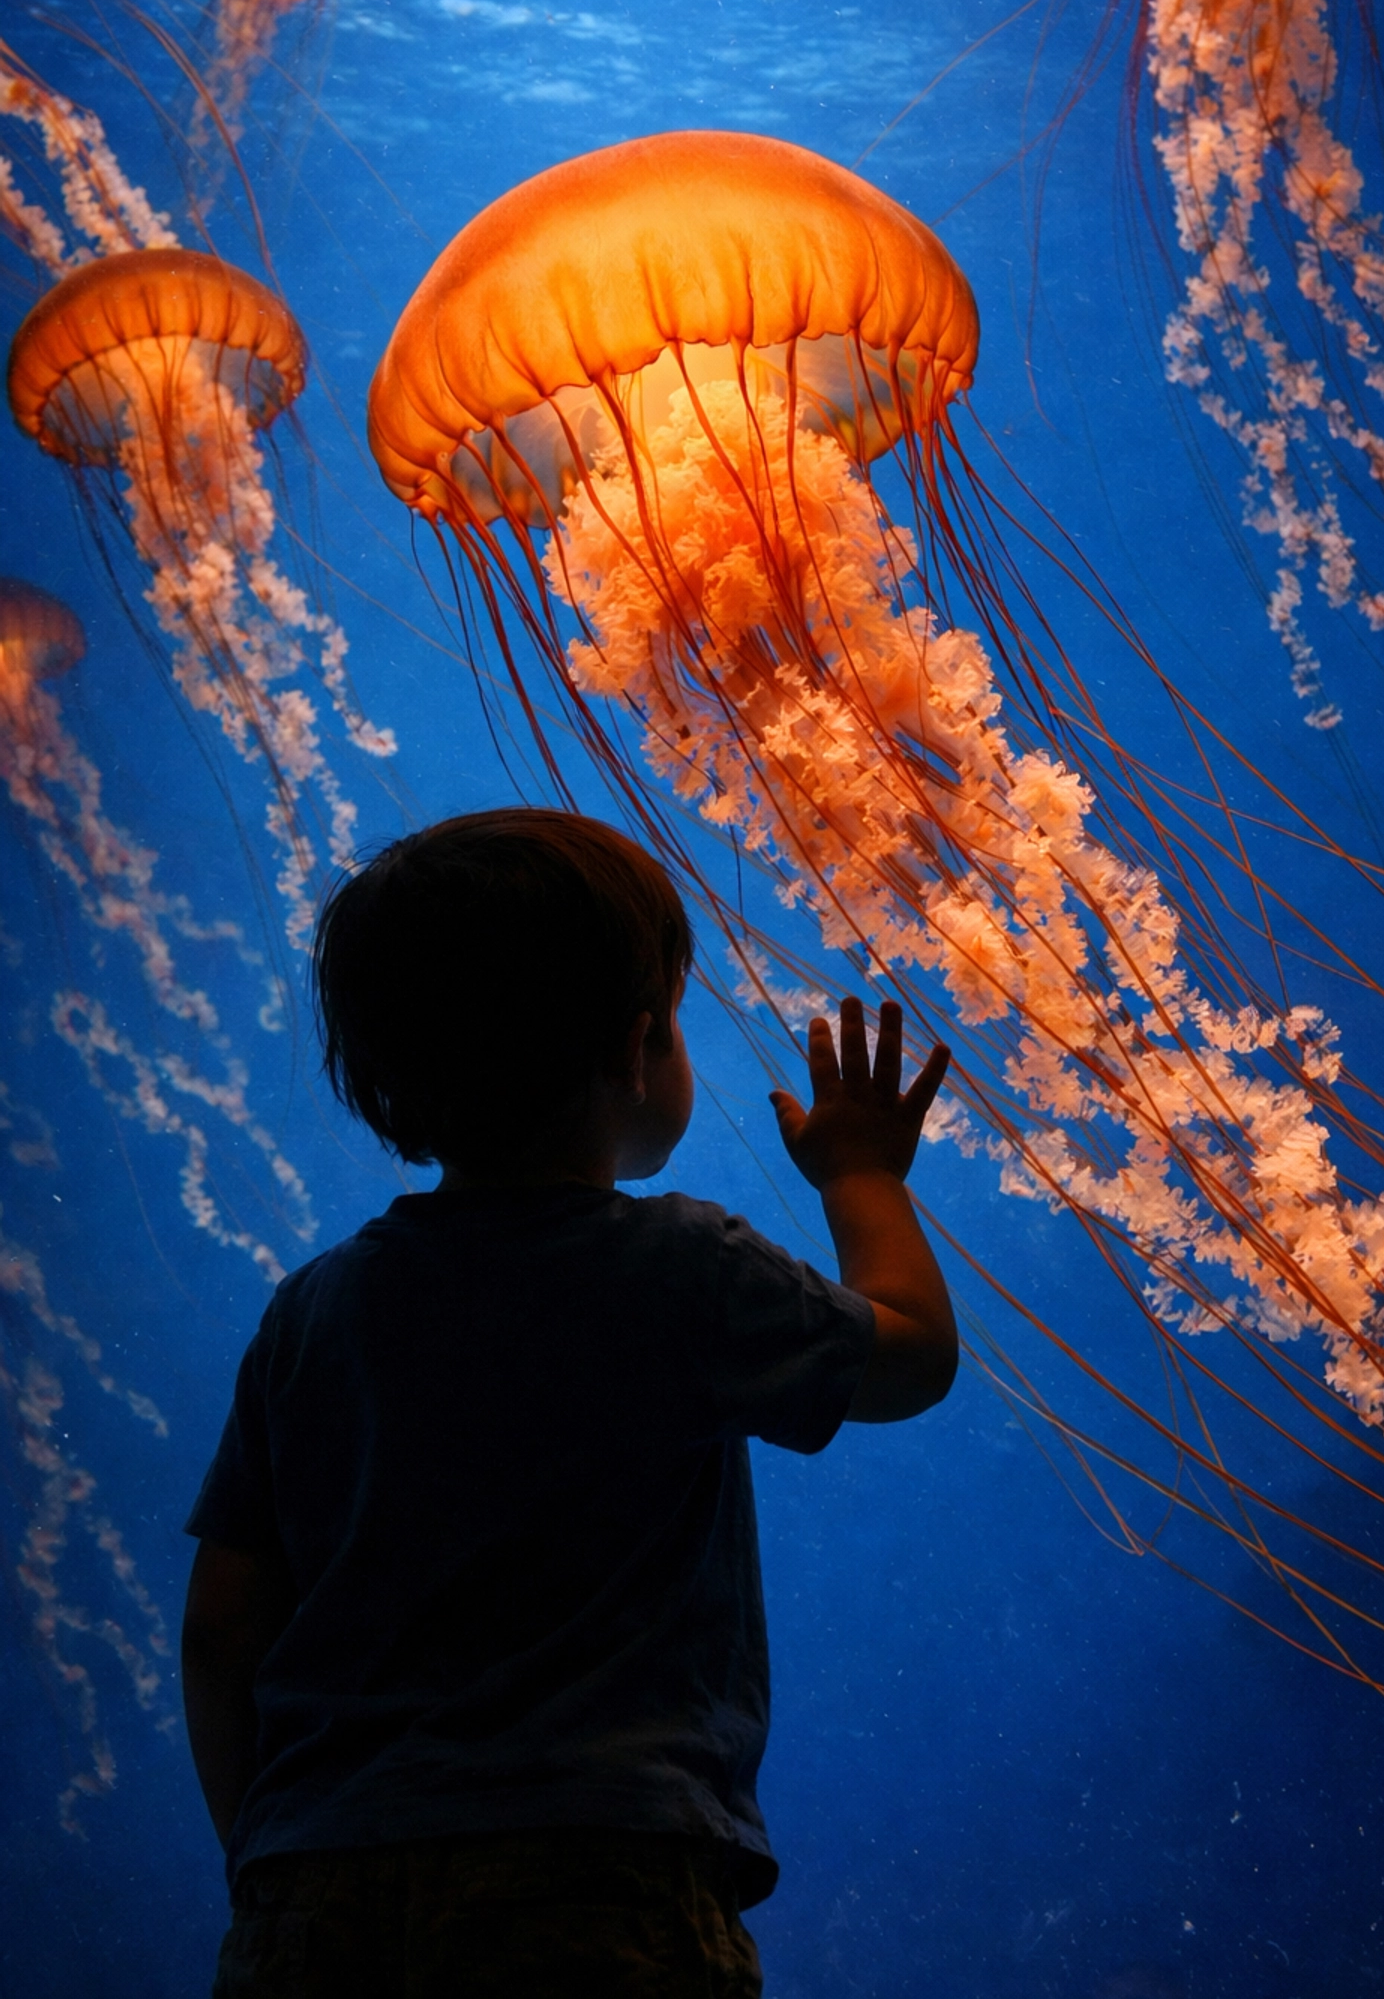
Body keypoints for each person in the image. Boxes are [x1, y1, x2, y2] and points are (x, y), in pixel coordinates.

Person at [181, 807, 957, 1996]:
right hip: (599, 1882)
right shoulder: (683, 1271)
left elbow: (223, 1626)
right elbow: (909, 1359)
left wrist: (269, 1853)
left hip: (315, 1889)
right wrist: (861, 1176)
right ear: (641, 1045)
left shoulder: (313, 1313)